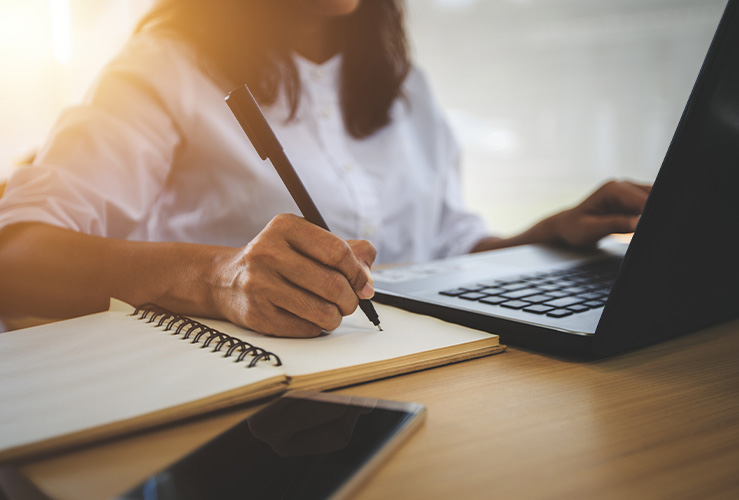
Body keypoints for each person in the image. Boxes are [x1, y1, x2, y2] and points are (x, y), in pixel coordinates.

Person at [0, 0, 650, 337]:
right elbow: (15, 260)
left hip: (428, 378)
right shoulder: (162, 68)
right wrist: (219, 278)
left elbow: (443, 249)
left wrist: (547, 235)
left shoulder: (404, 86)